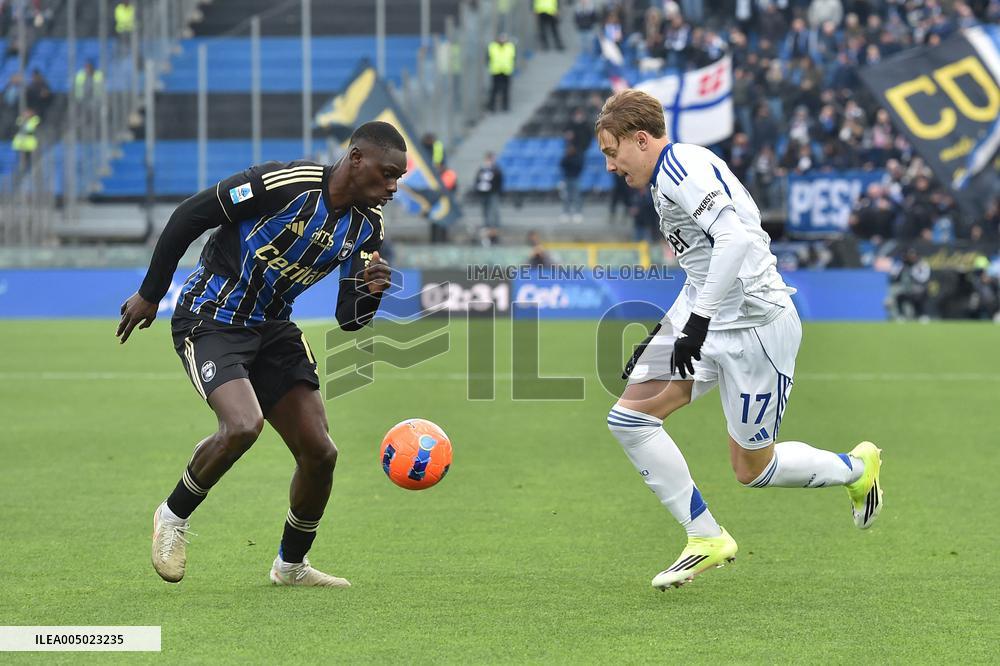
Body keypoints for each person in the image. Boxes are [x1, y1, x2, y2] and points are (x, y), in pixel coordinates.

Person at [595, 90, 883, 590]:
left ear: (639, 139)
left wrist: (698, 324)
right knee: (629, 418)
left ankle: (856, 469)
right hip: (710, 324)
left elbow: (735, 240)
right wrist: (667, 330)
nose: (610, 164)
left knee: (753, 468)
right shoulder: (666, 179)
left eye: (610, 150)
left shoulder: (682, 166)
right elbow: (702, 268)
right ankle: (705, 537)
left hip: (757, 327)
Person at [116, 121, 406, 587]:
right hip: (211, 317)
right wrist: (151, 292)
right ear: (356, 159)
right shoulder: (282, 185)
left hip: (273, 329)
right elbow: (191, 215)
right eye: (387, 173)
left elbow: (349, 318)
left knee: (320, 453)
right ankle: (172, 516)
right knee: (243, 425)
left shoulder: (367, 227)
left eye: (399, 178)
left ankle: (290, 567)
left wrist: (371, 292)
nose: (393, 187)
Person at [473, 151, 503, 232]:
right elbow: (477, 180)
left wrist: (498, 191)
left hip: (493, 192)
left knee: (493, 209)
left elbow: (499, 180)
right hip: (483, 193)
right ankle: (487, 224)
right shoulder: (482, 169)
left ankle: (495, 225)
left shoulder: (496, 169)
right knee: (485, 209)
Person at [487, 33, 516, 113]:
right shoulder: (492, 47)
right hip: (496, 71)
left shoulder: (510, 47)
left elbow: (513, 58)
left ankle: (505, 106)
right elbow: (488, 58)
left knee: (506, 89)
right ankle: (492, 106)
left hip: (506, 71)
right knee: (494, 89)